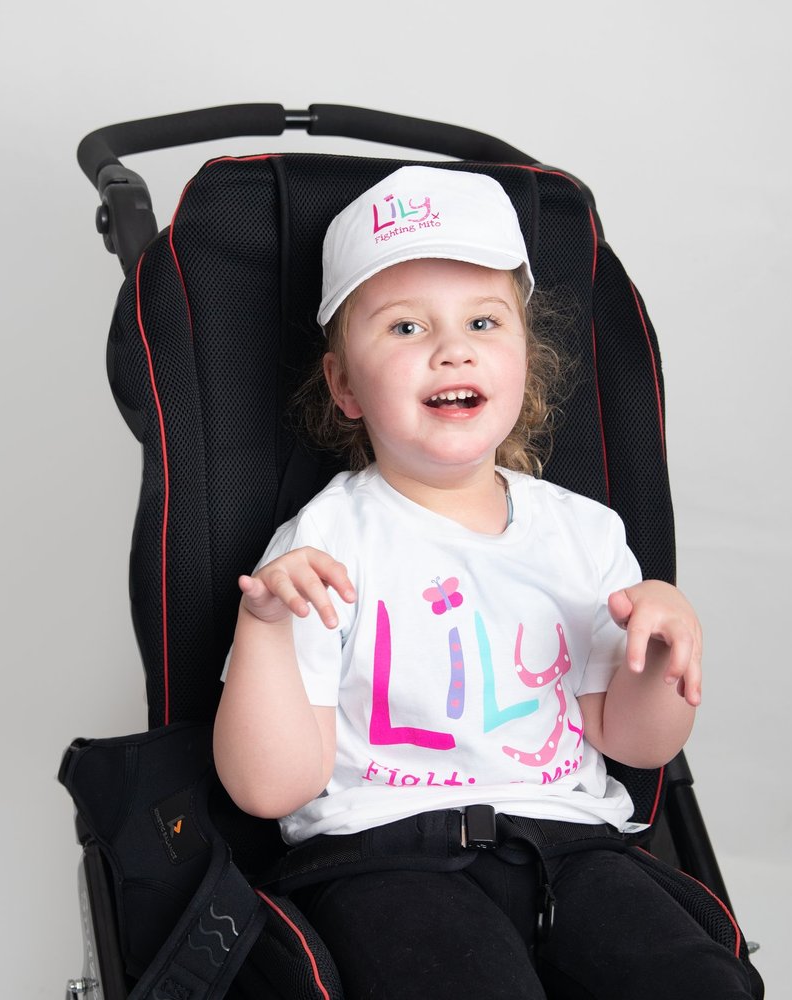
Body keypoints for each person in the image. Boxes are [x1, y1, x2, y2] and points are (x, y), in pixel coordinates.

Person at [214, 165, 757, 999]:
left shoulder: (582, 534)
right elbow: (269, 789)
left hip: (572, 848)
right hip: (386, 855)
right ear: (345, 386)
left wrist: (664, 649)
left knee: (701, 984)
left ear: (522, 357)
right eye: (403, 327)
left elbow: (635, 742)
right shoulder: (326, 545)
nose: (451, 347)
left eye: (482, 320)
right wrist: (264, 630)